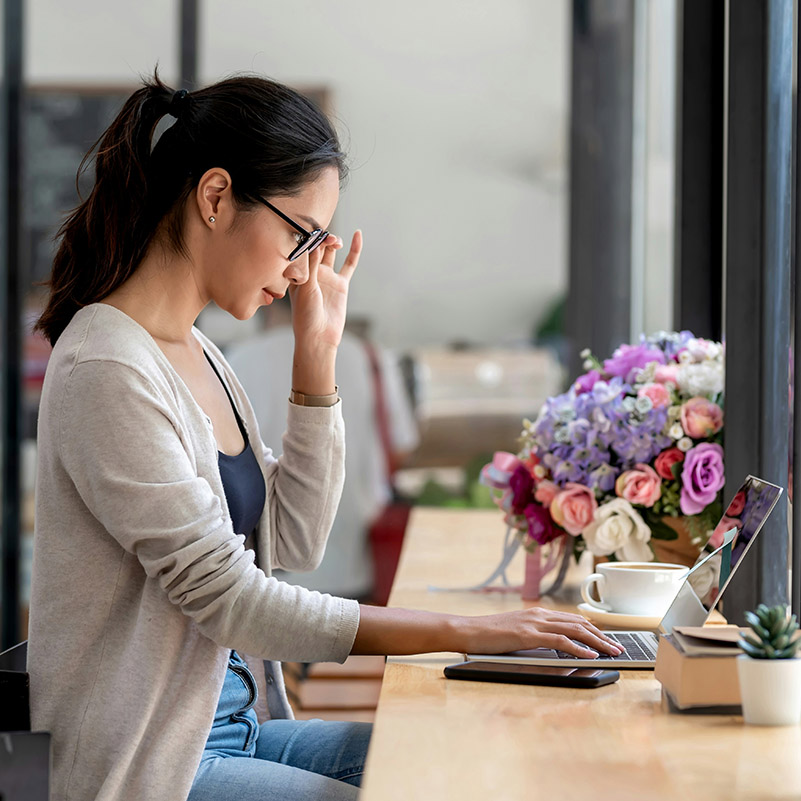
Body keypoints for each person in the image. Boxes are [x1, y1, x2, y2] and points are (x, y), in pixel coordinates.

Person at [27, 72, 623, 801]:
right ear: (216, 197)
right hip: (151, 763)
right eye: (297, 234)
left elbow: (293, 540)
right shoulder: (106, 367)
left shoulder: (196, 350)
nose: (306, 265)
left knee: (452, 756)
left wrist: (317, 353)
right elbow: (231, 599)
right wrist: (462, 630)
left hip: (233, 727)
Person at [226, 300, 419, 600]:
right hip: (354, 558)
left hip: (268, 572)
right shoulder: (368, 357)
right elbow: (401, 444)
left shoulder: (237, 361)